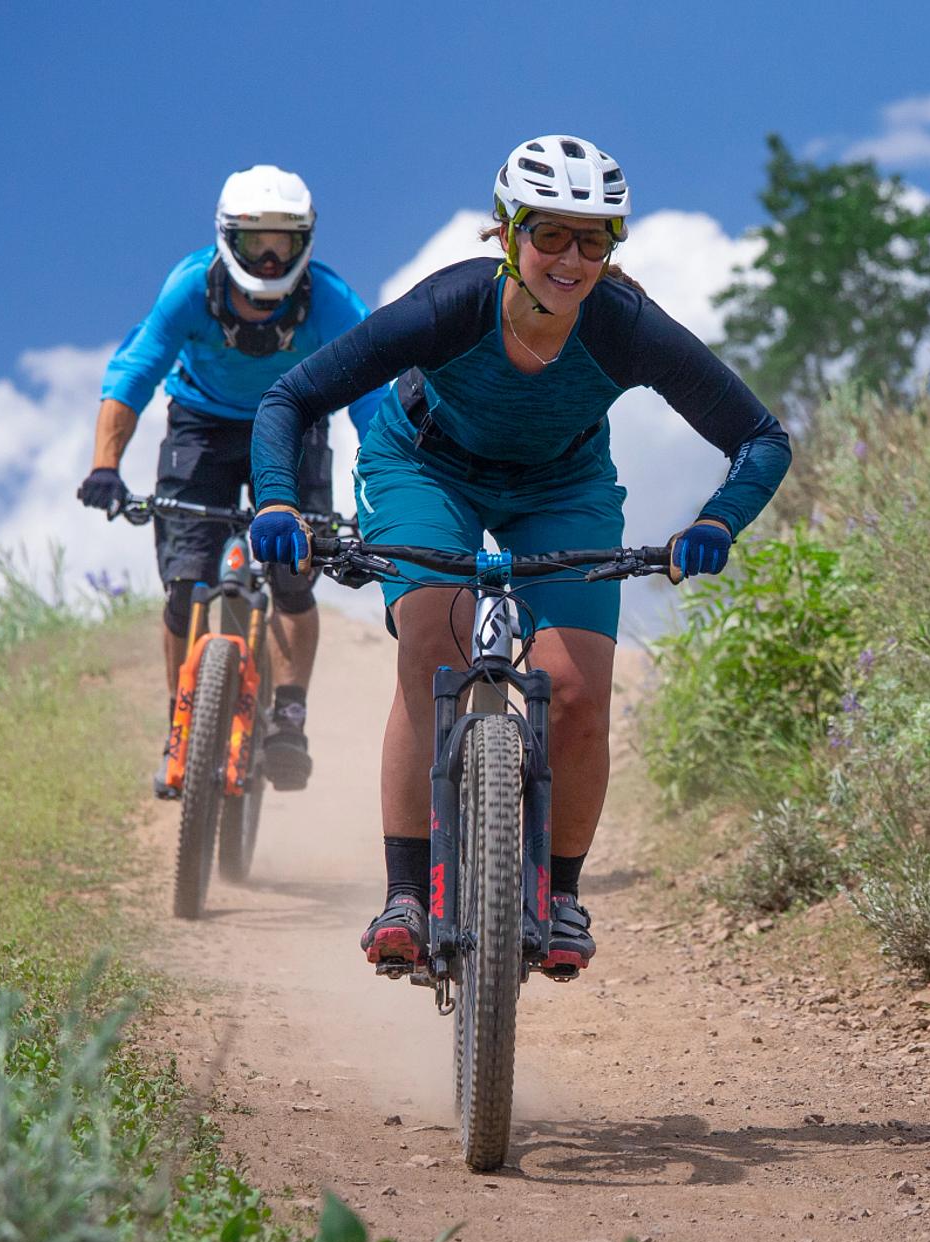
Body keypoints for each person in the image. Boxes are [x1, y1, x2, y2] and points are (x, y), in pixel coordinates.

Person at [246, 135, 790, 978]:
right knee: (433, 644)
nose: (570, 258)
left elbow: (760, 438)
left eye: (594, 239)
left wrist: (716, 523)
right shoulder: (450, 307)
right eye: (549, 234)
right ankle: (407, 895)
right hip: (425, 466)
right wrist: (279, 498)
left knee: (574, 691)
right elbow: (291, 396)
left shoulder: (625, 327)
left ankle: (560, 896)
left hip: (561, 486)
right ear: (506, 233)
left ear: (613, 247)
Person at [82, 165, 385, 795]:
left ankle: (290, 717)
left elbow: (373, 402)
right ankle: (180, 722)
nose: (270, 258)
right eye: (255, 242)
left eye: (283, 241)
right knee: (183, 583)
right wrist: (105, 467)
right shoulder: (190, 290)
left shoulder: (331, 303)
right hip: (201, 426)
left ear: (306, 242)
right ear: (228, 239)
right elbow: (133, 374)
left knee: (294, 573)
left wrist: (390, 495)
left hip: (295, 424)